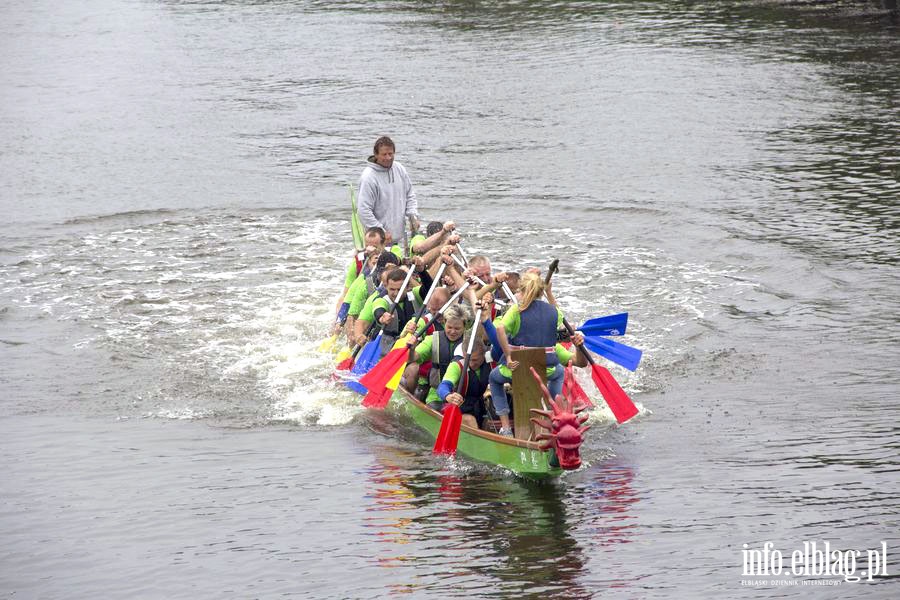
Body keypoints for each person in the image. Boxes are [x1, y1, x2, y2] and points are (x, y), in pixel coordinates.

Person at [489, 271, 565, 437]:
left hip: (518, 369)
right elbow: (559, 318)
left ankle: (506, 428)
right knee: (560, 373)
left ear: (522, 291)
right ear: (540, 292)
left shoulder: (517, 309)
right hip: (547, 369)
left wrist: (508, 356)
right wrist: (550, 294)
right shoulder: (553, 311)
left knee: (494, 379)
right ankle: (555, 414)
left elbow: (500, 329)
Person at [357, 136, 419, 247]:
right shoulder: (368, 177)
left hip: (398, 239)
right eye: (384, 154)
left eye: (391, 154)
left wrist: (412, 216)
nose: (388, 157)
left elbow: (410, 195)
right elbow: (363, 211)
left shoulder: (399, 169)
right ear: (376, 155)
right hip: (378, 242)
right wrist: (382, 232)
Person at [438, 333, 490, 430]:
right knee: (470, 421)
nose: (471, 364)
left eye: (475, 360)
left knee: (490, 423)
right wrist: (448, 396)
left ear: (484, 354)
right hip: (460, 409)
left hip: (481, 407)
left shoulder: (491, 361)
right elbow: (443, 386)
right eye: (468, 360)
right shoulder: (456, 366)